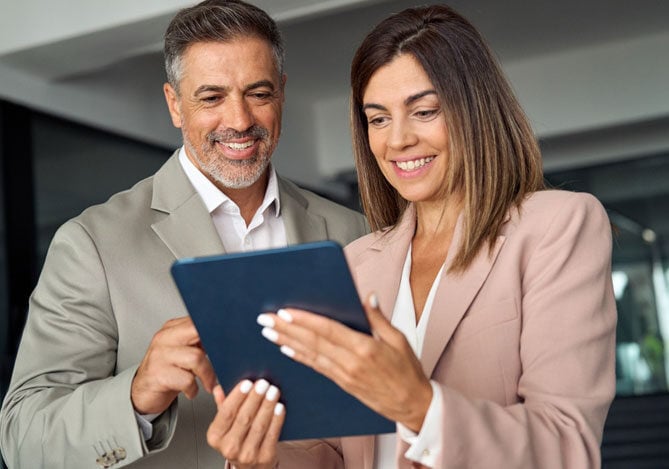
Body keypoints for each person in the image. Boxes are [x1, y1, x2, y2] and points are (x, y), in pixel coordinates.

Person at [206, 4, 617, 468]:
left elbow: (567, 446)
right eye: (378, 119)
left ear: (475, 111)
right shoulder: (358, 259)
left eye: (423, 111)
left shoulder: (557, 227)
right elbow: (337, 453)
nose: (397, 140)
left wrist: (419, 406)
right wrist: (262, 460)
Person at [0, 1, 367, 468]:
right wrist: (136, 394)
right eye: (211, 97)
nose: (238, 120)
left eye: (258, 93)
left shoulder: (352, 232)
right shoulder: (91, 244)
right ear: (175, 104)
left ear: (282, 93)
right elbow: (22, 439)